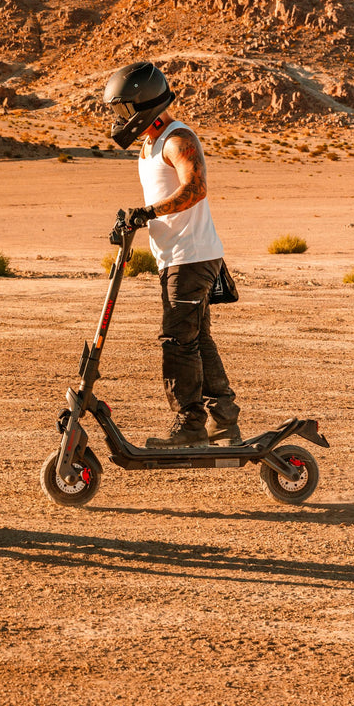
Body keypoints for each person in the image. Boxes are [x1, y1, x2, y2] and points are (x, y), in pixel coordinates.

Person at [103, 61, 240, 448]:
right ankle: (224, 420)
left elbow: (195, 189)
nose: (119, 118)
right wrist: (133, 221)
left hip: (191, 255)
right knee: (198, 338)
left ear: (143, 103)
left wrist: (147, 213)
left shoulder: (178, 139)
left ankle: (191, 424)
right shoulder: (149, 145)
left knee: (177, 340)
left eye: (123, 110)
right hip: (178, 256)